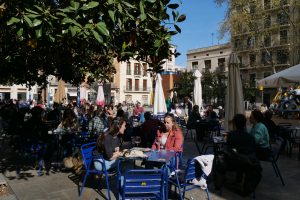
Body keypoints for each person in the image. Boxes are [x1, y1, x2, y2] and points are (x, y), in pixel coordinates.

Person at [215, 114, 261, 196]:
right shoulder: (250, 137)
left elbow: (229, 150)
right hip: (248, 164)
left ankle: (219, 184)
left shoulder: (231, 135)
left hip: (232, 164)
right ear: (244, 124)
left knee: (218, 160)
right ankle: (243, 184)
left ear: (235, 124)